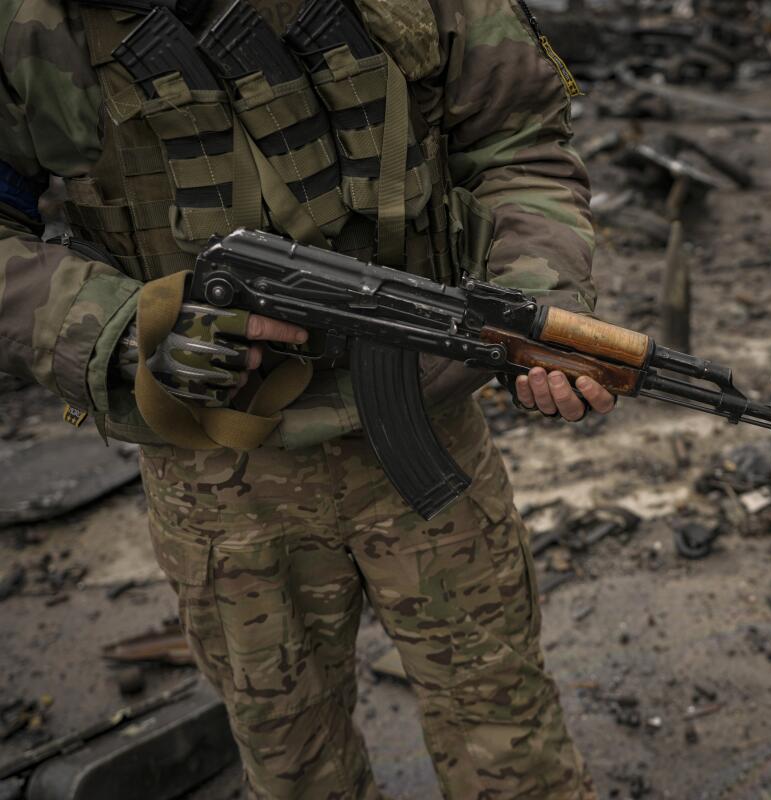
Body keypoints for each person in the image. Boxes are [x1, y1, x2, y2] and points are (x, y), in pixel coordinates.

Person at [0, 0, 611, 796]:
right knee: (292, 765)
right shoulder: (31, 21)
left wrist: (535, 297)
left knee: (511, 741)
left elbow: (518, 136)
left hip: (426, 430)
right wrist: (115, 322)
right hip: (217, 468)